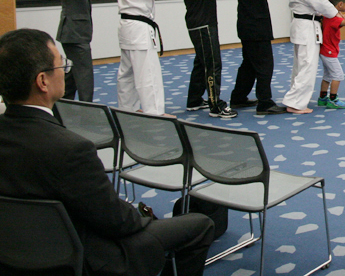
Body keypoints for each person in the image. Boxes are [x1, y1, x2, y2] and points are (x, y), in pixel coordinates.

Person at [0, 28, 215, 276]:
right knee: (200, 225)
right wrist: (148, 220)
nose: (65, 73)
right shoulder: (71, 149)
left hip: (14, 253)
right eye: (62, 66)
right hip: (86, 258)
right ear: (43, 81)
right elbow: (115, 221)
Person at [179, 0, 255, 119]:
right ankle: (216, 105)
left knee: (202, 62)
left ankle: (194, 99)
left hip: (200, 24)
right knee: (212, 64)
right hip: (203, 25)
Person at [117, 0, 187, 116]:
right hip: (138, 29)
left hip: (128, 27)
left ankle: (127, 109)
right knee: (147, 73)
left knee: (127, 73)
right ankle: (154, 112)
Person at [56, 0, 132, 102]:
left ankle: (60, 105)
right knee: (84, 74)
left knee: (75, 73)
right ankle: (87, 111)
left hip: (77, 32)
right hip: (73, 33)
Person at [231, 0, 302, 115]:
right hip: (255, 28)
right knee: (264, 65)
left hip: (249, 27)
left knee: (249, 65)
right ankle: (265, 103)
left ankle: (238, 98)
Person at [281, 0, 339, 114]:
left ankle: (294, 99)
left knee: (300, 65)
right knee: (307, 65)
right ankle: (296, 103)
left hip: (303, 24)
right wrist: (335, 14)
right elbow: (318, 1)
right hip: (306, 26)